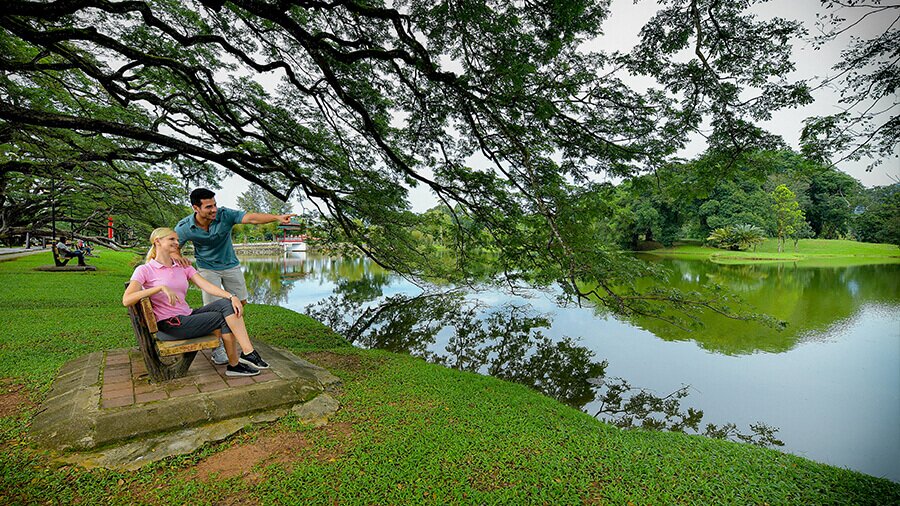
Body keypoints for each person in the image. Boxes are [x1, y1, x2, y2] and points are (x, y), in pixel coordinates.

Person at [123, 227, 269, 377]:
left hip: (186, 316)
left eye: (177, 240)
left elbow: (205, 285)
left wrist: (231, 296)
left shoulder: (182, 266)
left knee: (226, 304)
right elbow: (127, 299)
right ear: (157, 241)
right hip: (170, 325)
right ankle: (236, 364)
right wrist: (159, 288)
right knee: (224, 318)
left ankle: (247, 353)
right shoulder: (145, 270)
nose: (177, 243)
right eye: (171, 239)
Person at [173, 188, 295, 365]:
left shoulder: (225, 215)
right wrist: (177, 255)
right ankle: (218, 348)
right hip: (207, 268)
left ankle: (235, 340)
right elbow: (173, 244)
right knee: (214, 309)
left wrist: (277, 217)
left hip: (231, 265)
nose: (214, 209)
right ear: (195, 208)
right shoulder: (184, 227)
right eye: (208, 207)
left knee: (240, 303)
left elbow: (252, 218)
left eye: (215, 205)